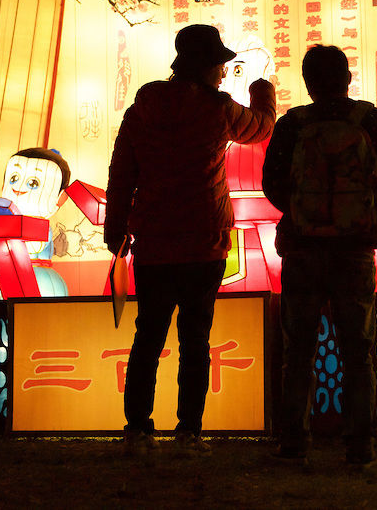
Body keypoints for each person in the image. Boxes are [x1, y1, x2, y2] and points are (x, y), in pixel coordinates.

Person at [105, 24, 276, 455]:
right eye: (219, 63)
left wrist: (115, 228)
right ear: (207, 66)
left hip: (154, 244)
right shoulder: (218, 108)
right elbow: (259, 128)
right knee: (195, 339)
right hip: (204, 241)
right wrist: (262, 89)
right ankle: (188, 433)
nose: (222, 72)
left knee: (148, 337)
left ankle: (137, 432)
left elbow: (122, 173)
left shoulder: (141, 109)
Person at [262, 44, 377, 466]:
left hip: (303, 251)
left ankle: (294, 442)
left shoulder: (293, 124)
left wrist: (301, 213)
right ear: (348, 79)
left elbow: (271, 182)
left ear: (308, 83)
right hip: (354, 252)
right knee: (357, 349)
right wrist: (366, 213)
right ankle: (360, 444)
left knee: (299, 349)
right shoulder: (374, 121)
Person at [0, 147, 71, 299]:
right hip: (1, 273)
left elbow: (35, 245)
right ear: (3, 186)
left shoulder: (39, 225)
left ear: (59, 198)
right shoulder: (1, 220)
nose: (19, 187)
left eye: (33, 182)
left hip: (37, 274)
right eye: (14, 178)